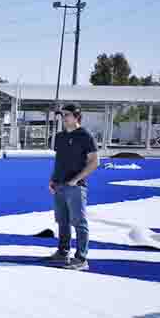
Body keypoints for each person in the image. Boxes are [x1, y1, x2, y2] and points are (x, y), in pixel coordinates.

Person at [44, 103, 99, 270]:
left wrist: (76, 179)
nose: (63, 117)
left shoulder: (85, 136)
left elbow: (95, 162)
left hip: (76, 186)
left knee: (79, 222)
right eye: (62, 115)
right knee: (62, 221)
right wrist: (52, 180)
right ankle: (63, 252)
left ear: (76, 116)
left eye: (67, 114)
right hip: (59, 185)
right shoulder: (60, 137)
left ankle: (81, 258)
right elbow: (59, 161)